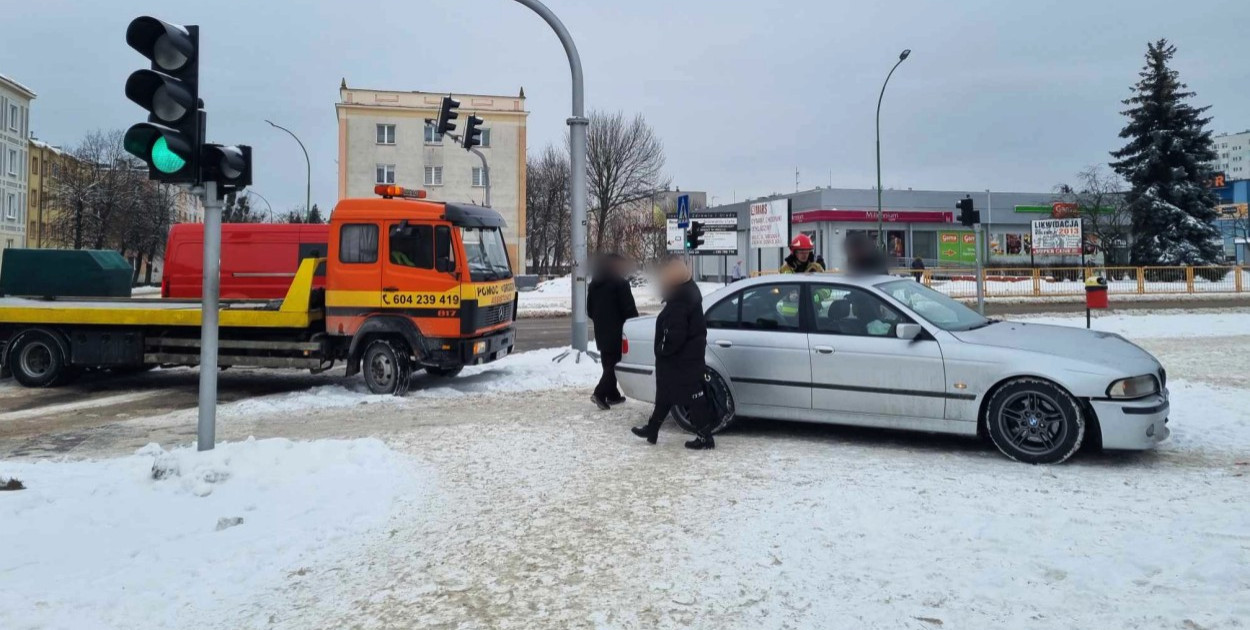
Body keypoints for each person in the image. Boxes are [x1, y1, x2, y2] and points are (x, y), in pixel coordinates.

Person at [632, 257, 715, 450]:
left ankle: (705, 436)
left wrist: (662, 349)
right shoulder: (687, 293)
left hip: (681, 359)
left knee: (693, 396)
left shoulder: (680, 300)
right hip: (687, 356)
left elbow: (675, 333)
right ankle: (652, 430)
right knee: (666, 394)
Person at [587, 253, 639, 410]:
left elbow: (589, 309)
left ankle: (613, 394)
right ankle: (600, 393)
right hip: (618, 330)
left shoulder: (594, 283)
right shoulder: (620, 284)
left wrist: (600, 319)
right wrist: (634, 323)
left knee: (607, 363)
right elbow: (629, 309)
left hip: (601, 330)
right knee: (615, 365)